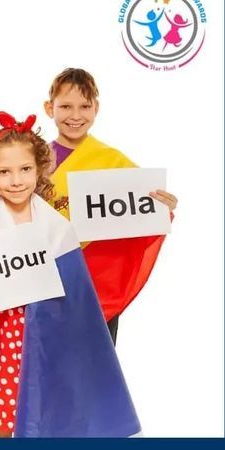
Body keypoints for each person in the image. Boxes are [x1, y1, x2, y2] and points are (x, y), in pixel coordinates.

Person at [0, 112, 141, 438]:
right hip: (1, 342)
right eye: (4, 172)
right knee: (1, 421)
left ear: (38, 168)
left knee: (50, 416)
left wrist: (151, 209)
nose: (16, 180)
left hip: (49, 340)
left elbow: (78, 288)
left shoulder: (56, 227)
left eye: (25, 170)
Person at [44, 67, 177, 343]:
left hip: (97, 283)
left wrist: (164, 206)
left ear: (96, 108)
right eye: (65, 106)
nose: (75, 115)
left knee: (97, 360)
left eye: (84, 106)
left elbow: (142, 211)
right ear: (49, 108)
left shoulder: (113, 161)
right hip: (47, 278)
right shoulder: (34, 160)